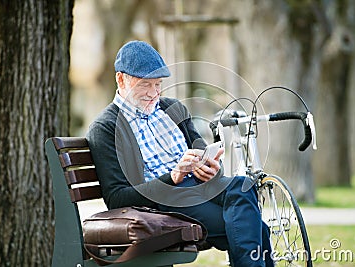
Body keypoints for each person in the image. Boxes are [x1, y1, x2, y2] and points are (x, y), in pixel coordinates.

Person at [86, 40, 274, 267]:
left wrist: (211, 167)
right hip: (162, 200)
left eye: (158, 84)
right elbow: (117, 198)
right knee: (255, 228)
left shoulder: (173, 109)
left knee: (242, 185)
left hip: (199, 187)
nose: (154, 93)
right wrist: (173, 176)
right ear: (121, 79)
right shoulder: (106, 127)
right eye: (146, 84)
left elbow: (202, 152)